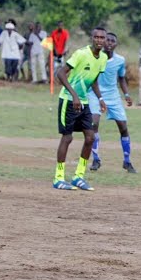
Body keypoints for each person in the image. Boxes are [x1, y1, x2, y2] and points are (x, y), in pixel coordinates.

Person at [52, 27, 108, 190]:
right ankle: (59, 178)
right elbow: (61, 74)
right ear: (92, 38)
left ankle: (78, 176)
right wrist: (74, 95)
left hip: (84, 103)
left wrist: (100, 98)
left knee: (90, 137)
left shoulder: (103, 58)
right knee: (67, 138)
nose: (99, 40)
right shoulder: (81, 54)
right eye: (96, 37)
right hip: (68, 101)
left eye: (102, 38)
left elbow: (94, 80)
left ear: (105, 40)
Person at [90, 32, 137, 174]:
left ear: (116, 44)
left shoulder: (120, 60)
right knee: (94, 124)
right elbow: (91, 78)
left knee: (123, 127)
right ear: (103, 42)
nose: (109, 43)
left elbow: (122, 78)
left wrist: (127, 94)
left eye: (112, 41)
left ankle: (127, 161)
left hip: (113, 95)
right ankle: (96, 159)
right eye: (107, 40)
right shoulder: (96, 57)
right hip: (95, 93)